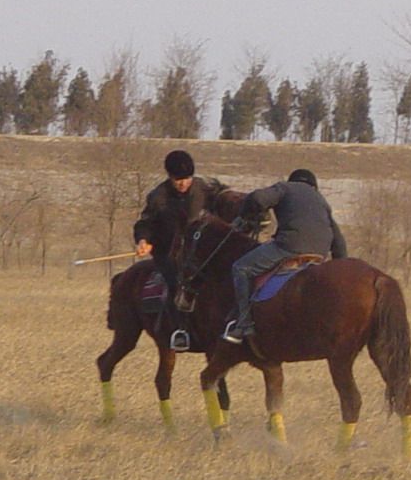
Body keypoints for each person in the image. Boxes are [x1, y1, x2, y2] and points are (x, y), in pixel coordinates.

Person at [223, 168, 348, 344]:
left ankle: (243, 323)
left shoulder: (285, 188)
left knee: (240, 268)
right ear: (314, 186)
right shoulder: (321, 201)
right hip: (320, 253)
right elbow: (339, 244)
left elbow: (257, 198)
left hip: (290, 246)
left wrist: (245, 215)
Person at [134, 149, 229, 350]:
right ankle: (180, 329)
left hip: (201, 253)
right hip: (169, 253)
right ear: (170, 177)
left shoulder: (204, 190)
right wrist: (143, 240)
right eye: (178, 180)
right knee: (177, 283)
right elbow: (146, 223)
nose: (183, 184)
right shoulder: (158, 197)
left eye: (187, 179)